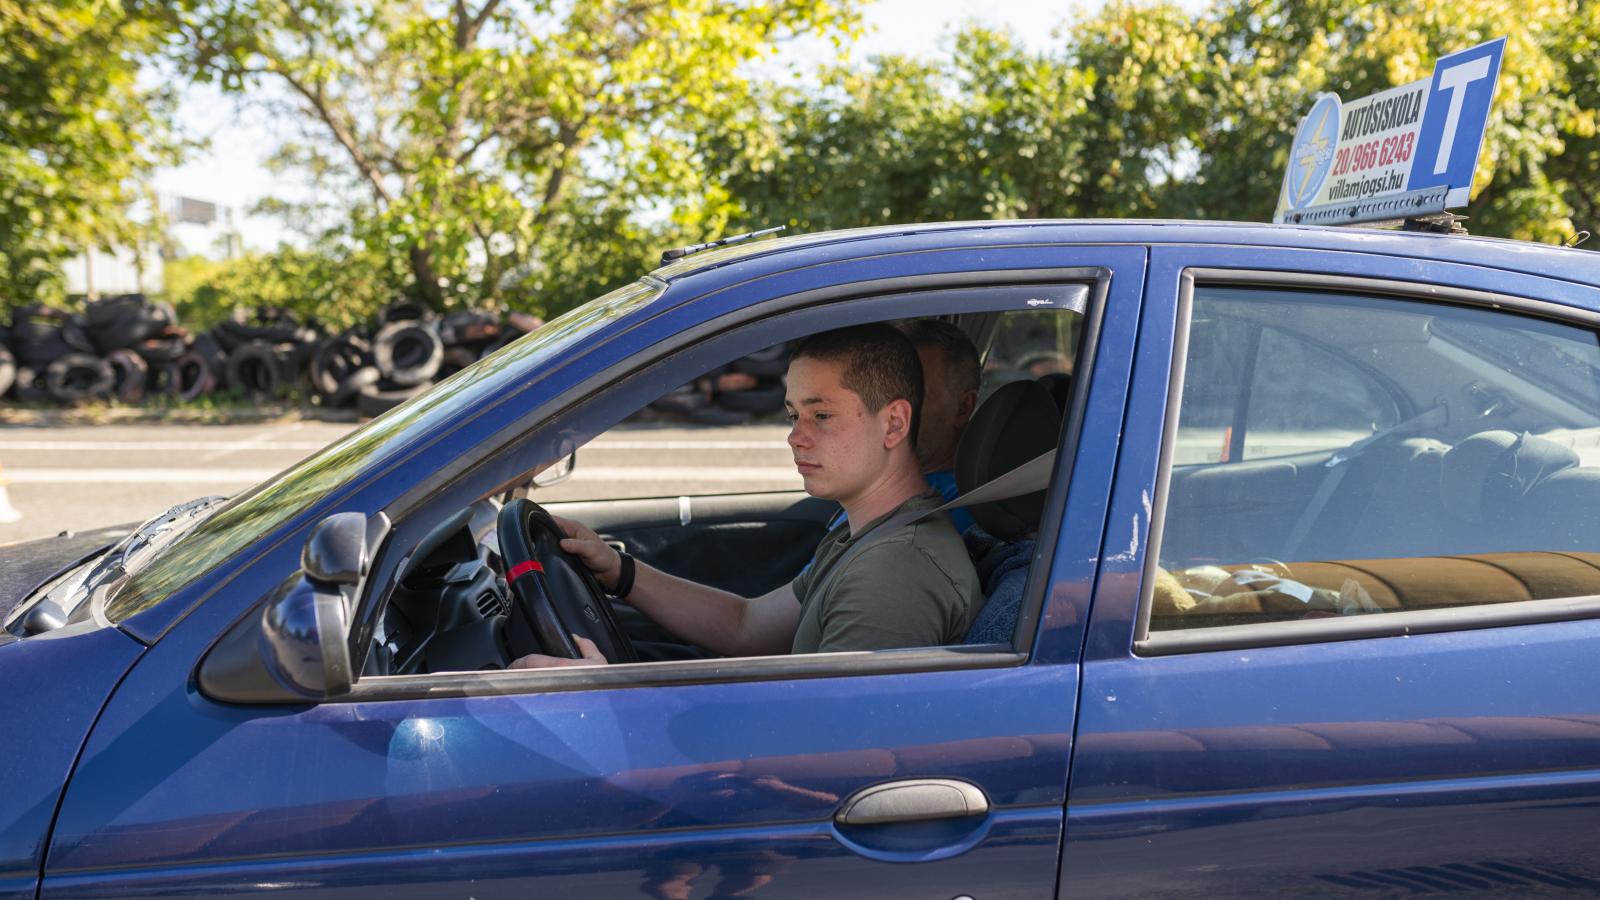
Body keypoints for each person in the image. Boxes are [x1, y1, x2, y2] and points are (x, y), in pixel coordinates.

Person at [513, 323, 983, 668]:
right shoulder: (874, 533)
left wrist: (600, 696)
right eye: (793, 415)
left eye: (821, 416)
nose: (795, 437)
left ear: (894, 423)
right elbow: (747, 626)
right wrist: (622, 572)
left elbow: (826, 755)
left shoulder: (895, 572)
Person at [898, 318, 981, 535]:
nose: (890, 411)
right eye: (886, 393)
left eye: (913, 394)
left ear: (963, 407)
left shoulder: (965, 510)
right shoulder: (888, 486)